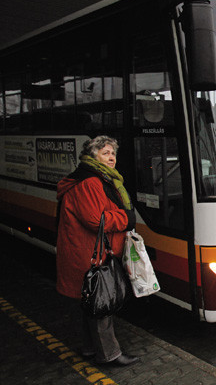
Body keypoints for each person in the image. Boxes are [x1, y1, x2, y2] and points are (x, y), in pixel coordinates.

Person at [56, 135, 138, 366]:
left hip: (87, 250)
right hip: (90, 253)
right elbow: (95, 220)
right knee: (102, 302)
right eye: (105, 153)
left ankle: (90, 349)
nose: (111, 158)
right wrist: (126, 217)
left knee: (90, 303)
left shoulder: (98, 178)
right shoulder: (90, 182)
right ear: (93, 156)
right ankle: (110, 355)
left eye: (113, 153)